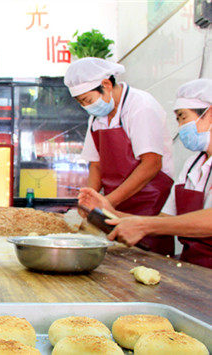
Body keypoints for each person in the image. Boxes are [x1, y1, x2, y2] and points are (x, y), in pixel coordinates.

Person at [79, 78, 212, 268]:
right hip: (194, 266)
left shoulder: (141, 106)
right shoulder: (193, 166)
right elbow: (165, 220)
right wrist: (109, 214)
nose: (181, 127)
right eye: (178, 120)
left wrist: (143, 226)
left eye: (183, 117)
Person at [65, 57, 175, 255]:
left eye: (88, 100)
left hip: (149, 203)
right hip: (115, 204)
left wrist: (108, 202)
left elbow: (151, 164)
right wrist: (89, 199)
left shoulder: (141, 106)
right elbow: (96, 165)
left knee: (149, 260)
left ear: (106, 84)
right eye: (81, 103)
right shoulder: (96, 118)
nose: (87, 107)